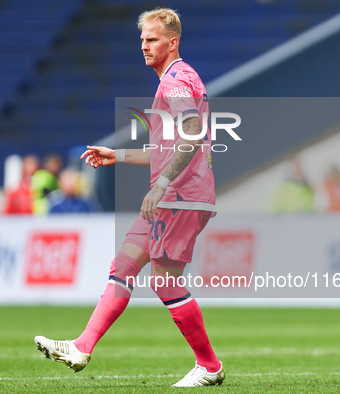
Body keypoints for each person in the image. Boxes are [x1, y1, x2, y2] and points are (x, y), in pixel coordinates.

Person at [34, 8, 225, 387]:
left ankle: (210, 366)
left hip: (179, 197)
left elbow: (191, 135)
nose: (144, 46)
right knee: (122, 267)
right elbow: (168, 148)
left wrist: (160, 185)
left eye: (152, 40)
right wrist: (116, 156)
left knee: (165, 281)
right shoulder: (177, 79)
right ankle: (82, 346)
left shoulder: (174, 82)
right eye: (142, 40)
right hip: (175, 195)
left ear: (172, 42)